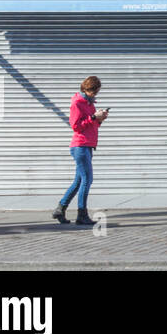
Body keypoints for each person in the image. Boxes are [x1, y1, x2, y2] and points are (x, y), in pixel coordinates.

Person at [52, 75, 108, 226]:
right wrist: (92, 117)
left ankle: (60, 209)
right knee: (87, 179)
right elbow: (75, 126)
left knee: (78, 181)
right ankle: (82, 214)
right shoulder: (77, 103)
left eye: (97, 92)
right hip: (80, 146)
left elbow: (91, 125)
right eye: (94, 92)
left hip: (87, 146)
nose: (95, 95)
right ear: (87, 89)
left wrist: (99, 119)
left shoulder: (90, 104)